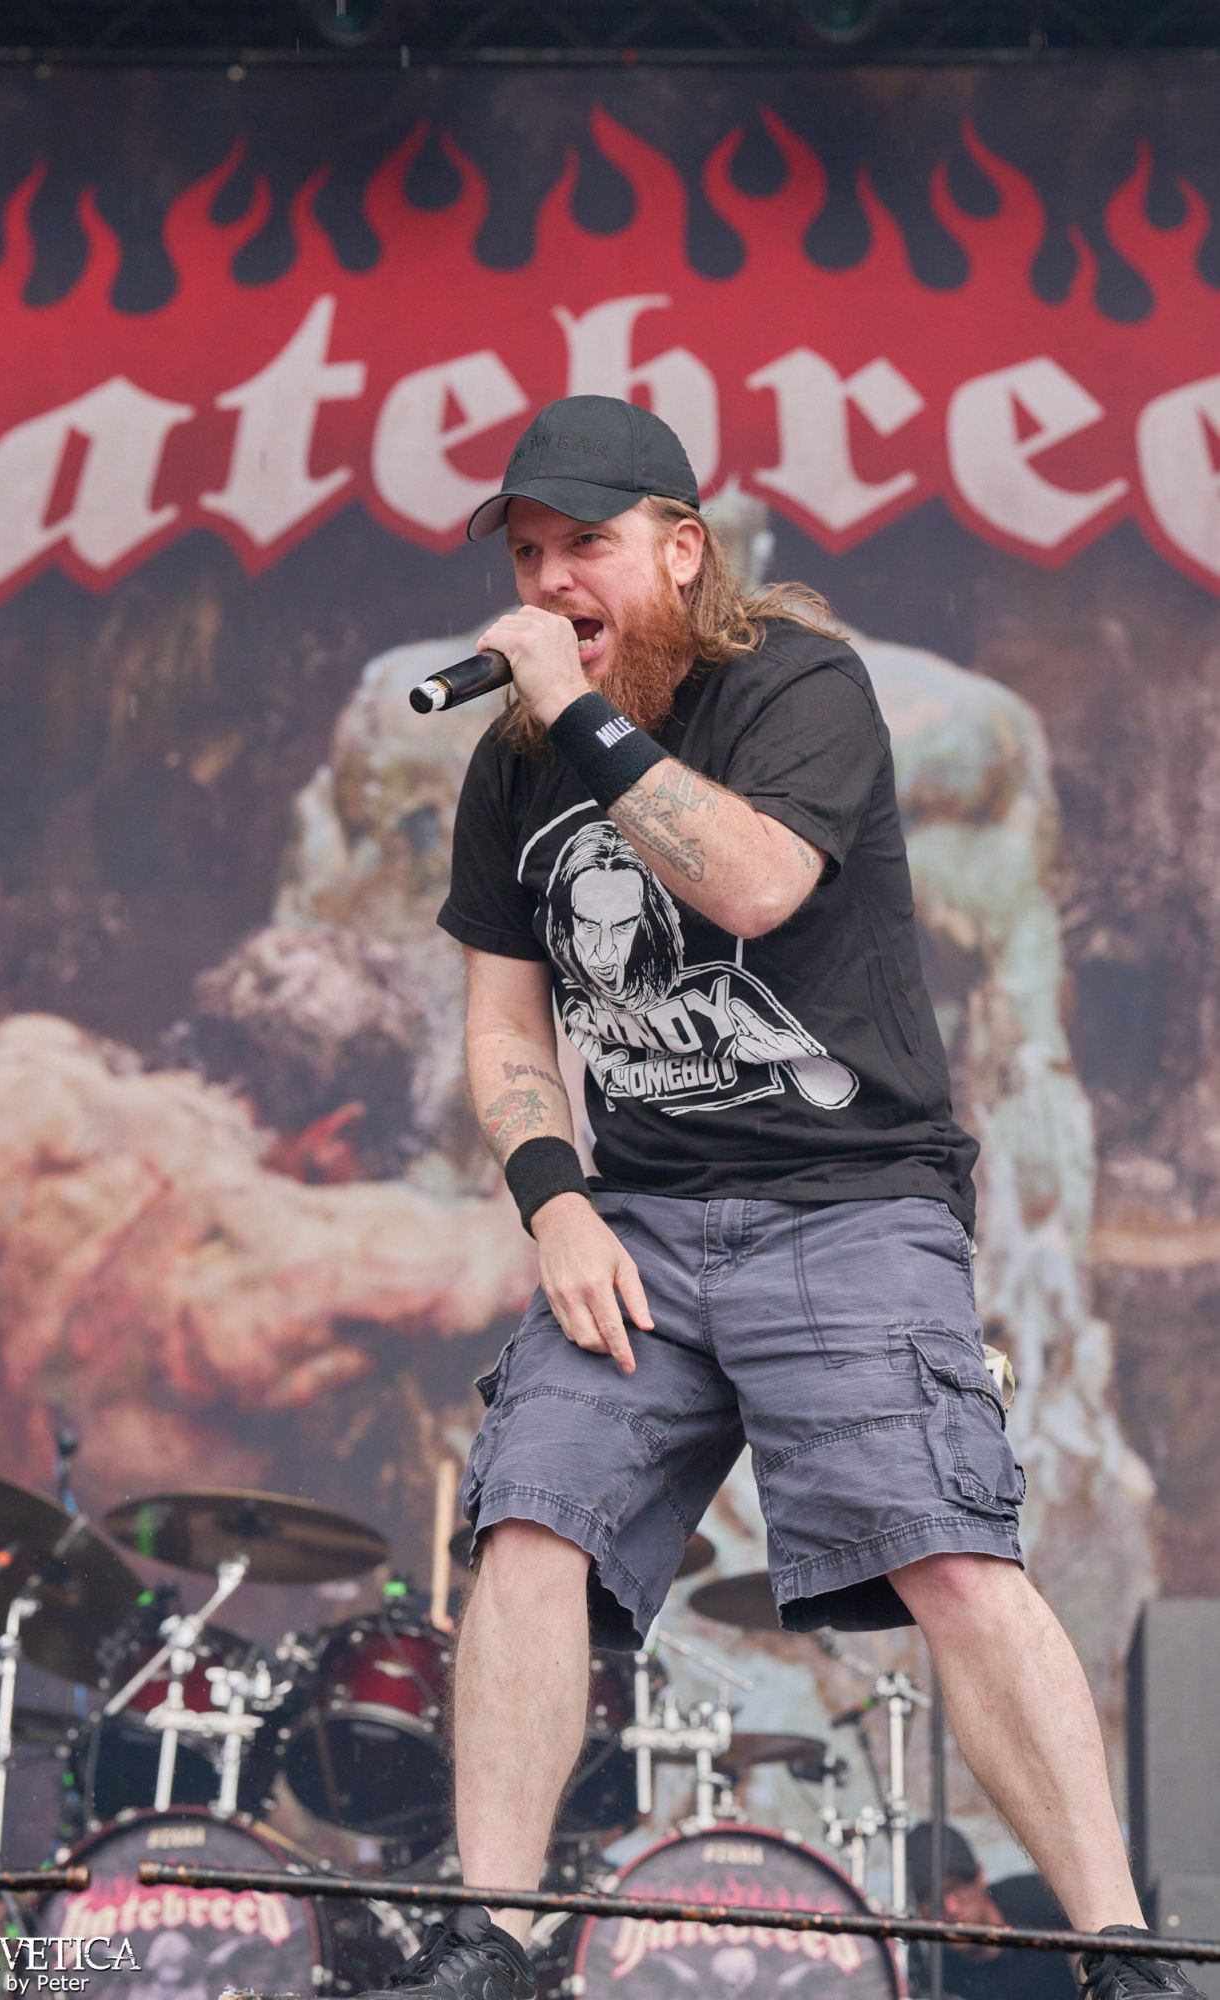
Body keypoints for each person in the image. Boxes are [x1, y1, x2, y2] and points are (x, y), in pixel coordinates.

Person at [350, 395, 1197, 2000]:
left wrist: (576, 713)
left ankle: (1116, 1947)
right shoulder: (510, 766)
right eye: (524, 558)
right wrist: (553, 1203)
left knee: (947, 1551)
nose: (547, 584)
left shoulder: (797, 685)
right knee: (527, 1519)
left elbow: (748, 882)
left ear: (680, 550)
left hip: (847, 1202)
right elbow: (502, 1022)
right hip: (639, 1219)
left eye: (583, 547)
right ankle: (494, 1935)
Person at [905, 1822, 1078, 1998]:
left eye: (957, 1887)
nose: (951, 1908)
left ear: (980, 1876)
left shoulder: (1039, 1900)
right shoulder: (928, 1970)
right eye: (931, 1898)